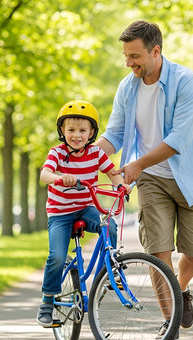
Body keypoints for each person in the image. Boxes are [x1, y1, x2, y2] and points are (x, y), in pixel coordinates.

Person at [94, 20, 193, 340]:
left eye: (135, 56)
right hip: (151, 179)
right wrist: (86, 156)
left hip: (192, 175)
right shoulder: (127, 87)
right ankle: (169, 324)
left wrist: (135, 165)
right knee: (157, 251)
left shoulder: (186, 82)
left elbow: (178, 138)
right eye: (125, 56)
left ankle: (181, 287)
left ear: (156, 51)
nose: (129, 62)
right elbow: (115, 133)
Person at [37, 99, 130, 327]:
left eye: (82, 130)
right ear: (62, 131)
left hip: (85, 208)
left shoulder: (96, 153)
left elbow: (112, 172)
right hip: (60, 213)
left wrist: (120, 185)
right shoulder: (57, 153)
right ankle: (47, 301)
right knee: (57, 256)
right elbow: (44, 175)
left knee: (109, 224)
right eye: (71, 130)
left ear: (91, 133)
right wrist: (60, 178)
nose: (76, 135)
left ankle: (107, 272)